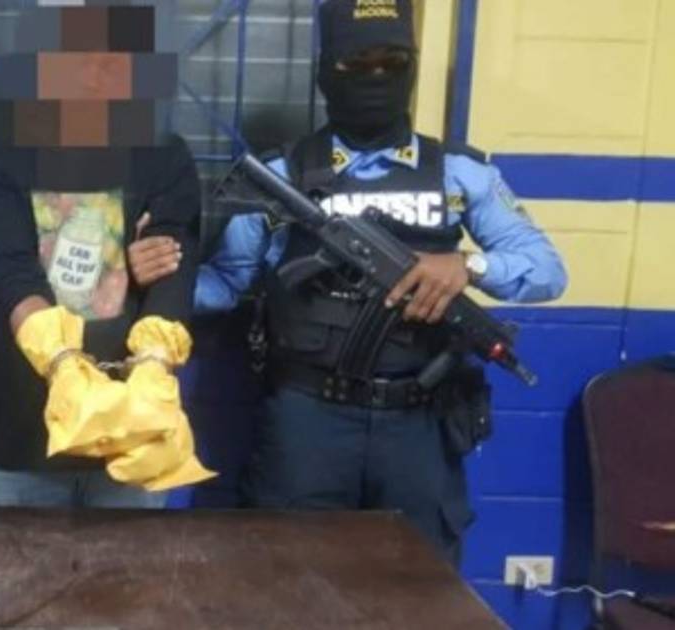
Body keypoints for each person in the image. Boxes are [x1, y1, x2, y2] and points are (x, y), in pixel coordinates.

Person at [127, 0, 567, 561]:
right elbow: (226, 282)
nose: (375, 77)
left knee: (418, 587)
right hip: (307, 420)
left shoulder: (458, 173)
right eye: (355, 63)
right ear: (325, 73)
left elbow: (547, 269)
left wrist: (467, 267)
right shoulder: (282, 175)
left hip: (418, 424)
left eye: (392, 62)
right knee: (284, 578)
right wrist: (150, 279)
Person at [0, 3, 211, 509]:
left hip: (135, 439)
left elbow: (172, 263)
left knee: (135, 563)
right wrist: (63, 362)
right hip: (24, 439)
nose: (94, 76)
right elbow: (10, 275)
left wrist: (154, 366)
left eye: (111, 60)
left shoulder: (164, 156)